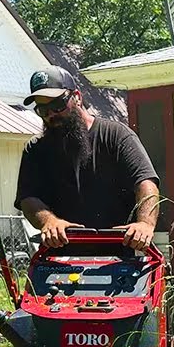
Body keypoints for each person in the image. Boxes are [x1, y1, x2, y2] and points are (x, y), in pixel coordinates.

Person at [15, 65, 160, 251]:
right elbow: (28, 198)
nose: (51, 114)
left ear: (77, 97)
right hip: (62, 257)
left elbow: (146, 183)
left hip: (121, 254)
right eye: (43, 110)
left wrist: (145, 224)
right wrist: (48, 221)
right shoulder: (35, 150)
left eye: (57, 105)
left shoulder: (116, 136)